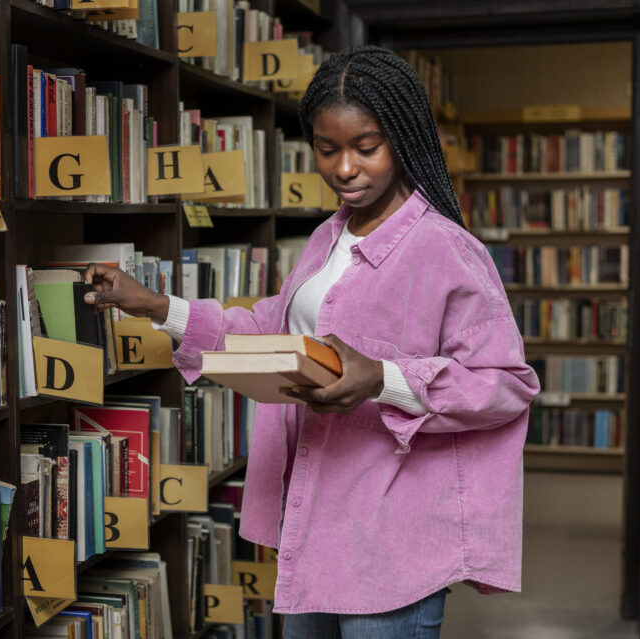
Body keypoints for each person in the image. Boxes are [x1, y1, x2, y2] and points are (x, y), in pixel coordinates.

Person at [84, 45, 540, 638]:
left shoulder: (446, 250)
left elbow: (503, 385)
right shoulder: (328, 238)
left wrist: (382, 377)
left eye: (366, 147)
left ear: (402, 139)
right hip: (313, 523)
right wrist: (155, 306)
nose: (345, 168)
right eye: (327, 149)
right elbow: (270, 332)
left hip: (394, 539)